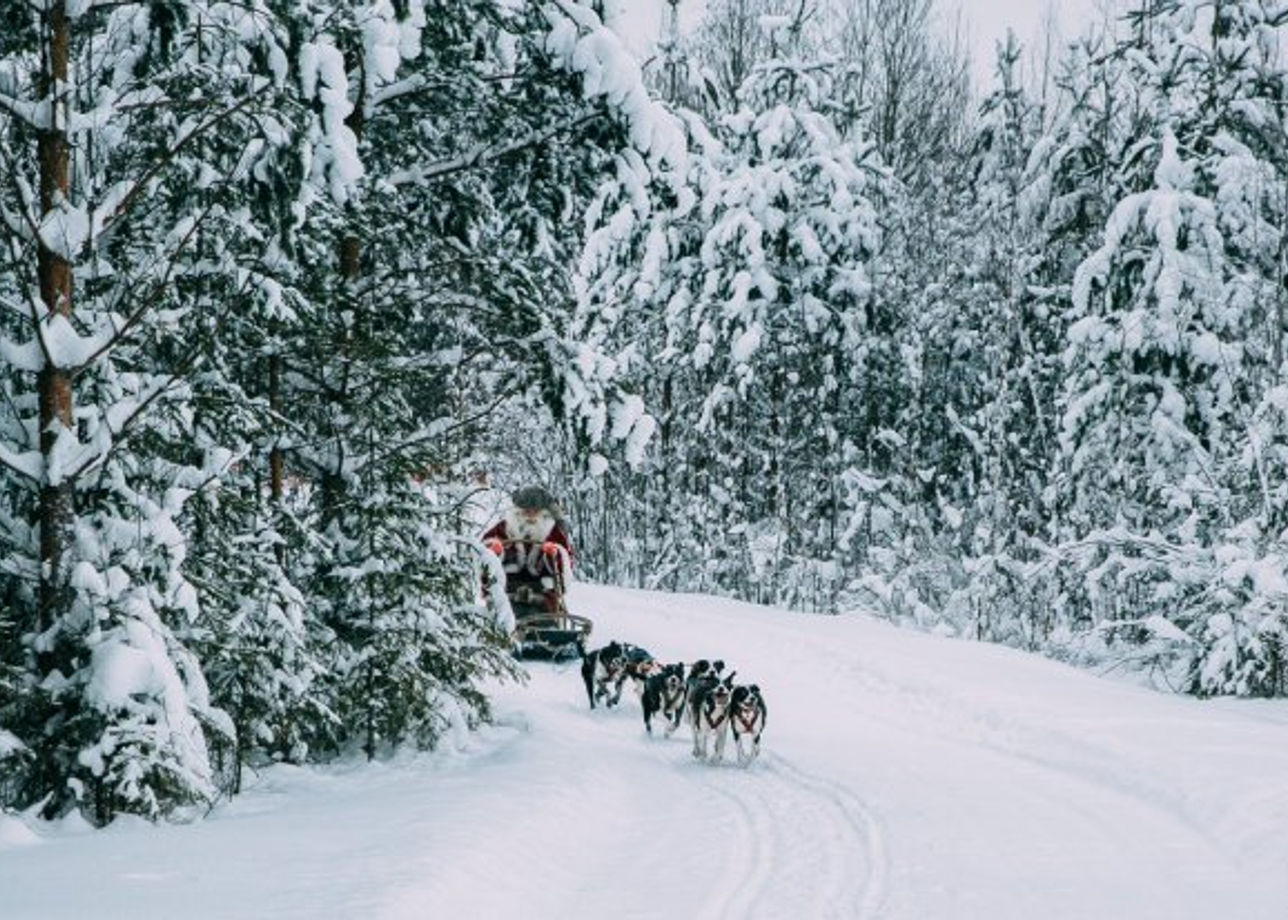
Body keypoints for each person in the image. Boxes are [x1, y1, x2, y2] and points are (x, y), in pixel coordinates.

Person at [482, 485, 574, 616]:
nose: (530, 515)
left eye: (535, 510)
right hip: (509, 580)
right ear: (518, 511)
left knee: (549, 593)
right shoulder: (505, 527)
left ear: (543, 512)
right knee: (498, 591)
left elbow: (566, 558)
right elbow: (485, 547)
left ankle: (547, 622)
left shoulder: (552, 531)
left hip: (541, 583)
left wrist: (553, 553)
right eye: (526, 511)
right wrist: (495, 549)